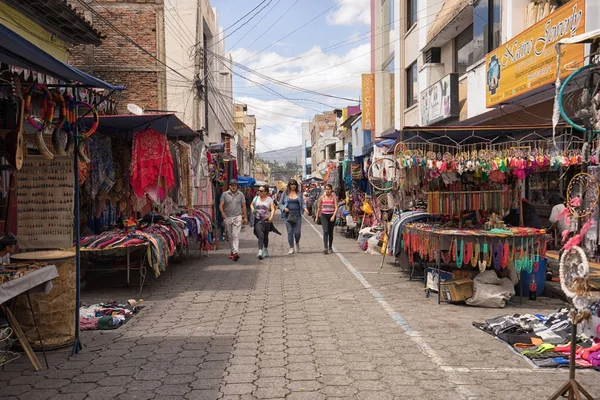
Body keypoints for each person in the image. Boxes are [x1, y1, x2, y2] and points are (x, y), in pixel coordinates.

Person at [219, 179, 247, 261]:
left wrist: (245, 217)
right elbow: (221, 205)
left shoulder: (241, 194)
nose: (234, 187)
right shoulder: (224, 194)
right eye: (232, 185)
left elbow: (244, 206)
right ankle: (232, 250)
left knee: (235, 235)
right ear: (229, 186)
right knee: (230, 236)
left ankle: (235, 252)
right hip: (228, 217)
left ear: (237, 186)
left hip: (237, 217)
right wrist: (222, 213)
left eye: (235, 185)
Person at [279, 178, 308, 255]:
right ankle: (291, 247)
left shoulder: (299, 194)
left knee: (297, 232)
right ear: (289, 185)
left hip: (297, 215)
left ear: (296, 186)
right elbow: (280, 203)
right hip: (288, 216)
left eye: (294, 184)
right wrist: (284, 208)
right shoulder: (285, 194)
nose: (293, 186)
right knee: (289, 232)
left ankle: (297, 242)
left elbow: (302, 203)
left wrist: (305, 209)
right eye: (291, 184)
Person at [250, 185, 276, 260]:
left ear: (266, 192)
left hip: (266, 220)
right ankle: (260, 251)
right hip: (258, 220)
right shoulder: (256, 198)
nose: (259, 192)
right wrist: (252, 209)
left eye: (261, 191)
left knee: (265, 235)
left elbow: (273, 209)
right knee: (260, 235)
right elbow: (251, 204)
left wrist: (271, 217)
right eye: (258, 190)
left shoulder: (269, 199)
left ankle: (266, 249)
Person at [314, 184, 338, 254]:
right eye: (326, 189)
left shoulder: (333, 197)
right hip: (324, 215)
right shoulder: (322, 197)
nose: (327, 191)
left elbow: (336, 207)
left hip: (331, 216)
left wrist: (333, 216)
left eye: (329, 189)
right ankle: (325, 247)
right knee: (325, 231)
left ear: (331, 190)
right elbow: (319, 208)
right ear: (325, 190)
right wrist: (316, 217)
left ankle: (330, 247)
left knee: (330, 232)